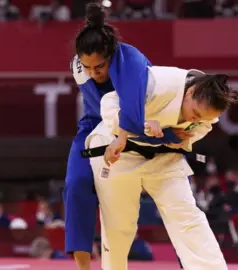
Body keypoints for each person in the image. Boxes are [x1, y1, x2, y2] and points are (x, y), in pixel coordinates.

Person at [63, 3, 180, 270]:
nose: (94, 73)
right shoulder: (78, 66)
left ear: (111, 55)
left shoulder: (133, 61)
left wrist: (161, 131)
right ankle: (82, 267)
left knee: (133, 205)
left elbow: (135, 105)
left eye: (100, 67)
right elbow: (98, 105)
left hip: (138, 127)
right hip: (94, 128)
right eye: (88, 66)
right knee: (76, 185)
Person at [86, 68, 238, 270]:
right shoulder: (156, 83)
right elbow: (109, 102)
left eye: (201, 118)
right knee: (119, 226)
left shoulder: (206, 107)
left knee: (187, 216)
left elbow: (203, 127)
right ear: (190, 92)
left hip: (163, 154)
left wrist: (178, 138)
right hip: (118, 151)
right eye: (194, 114)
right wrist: (139, 125)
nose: (195, 120)